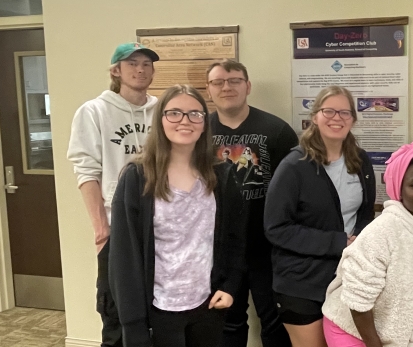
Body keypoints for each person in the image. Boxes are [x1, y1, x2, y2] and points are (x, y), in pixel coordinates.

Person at [108, 85, 245, 346]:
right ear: (160, 121)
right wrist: (133, 325)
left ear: (205, 123)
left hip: (208, 305)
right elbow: (123, 258)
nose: (185, 121)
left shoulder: (221, 175)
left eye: (195, 114)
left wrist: (229, 286)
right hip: (157, 311)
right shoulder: (137, 177)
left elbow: (236, 237)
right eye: (174, 113)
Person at [264, 86, 375, 347]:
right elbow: (276, 228)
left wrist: (360, 243)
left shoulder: (360, 161)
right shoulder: (294, 166)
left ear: (353, 120)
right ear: (315, 117)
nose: (337, 118)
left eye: (344, 112)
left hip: (347, 279)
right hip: (301, 283)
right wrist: (338, 243)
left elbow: (366, 213)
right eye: (329, 111)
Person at [322, 138, 413, 347]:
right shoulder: (382, 231)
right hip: (352, 327)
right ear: (399, 189)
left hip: (398, 335)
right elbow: (358, 302)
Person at [66, 42, 159, 347]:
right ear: (116, 71)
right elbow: (86, 171)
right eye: (132, 63)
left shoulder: (162, 111)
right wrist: (100, 228)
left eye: (146, 63)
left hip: (161, 223)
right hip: (117, 225)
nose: (140, 69)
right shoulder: (93, 111)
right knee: (117, 310)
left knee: (158, 310)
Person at [205, 59, 298, 347]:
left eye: (234, 80)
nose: (226, 87)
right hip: (218, 245)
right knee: (227, 321)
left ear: (248, 86)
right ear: (208, 89)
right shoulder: (197, 131)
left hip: (267, 245)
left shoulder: (278, 131)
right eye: (218, 81)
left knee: (274, 321)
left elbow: (295, 191)